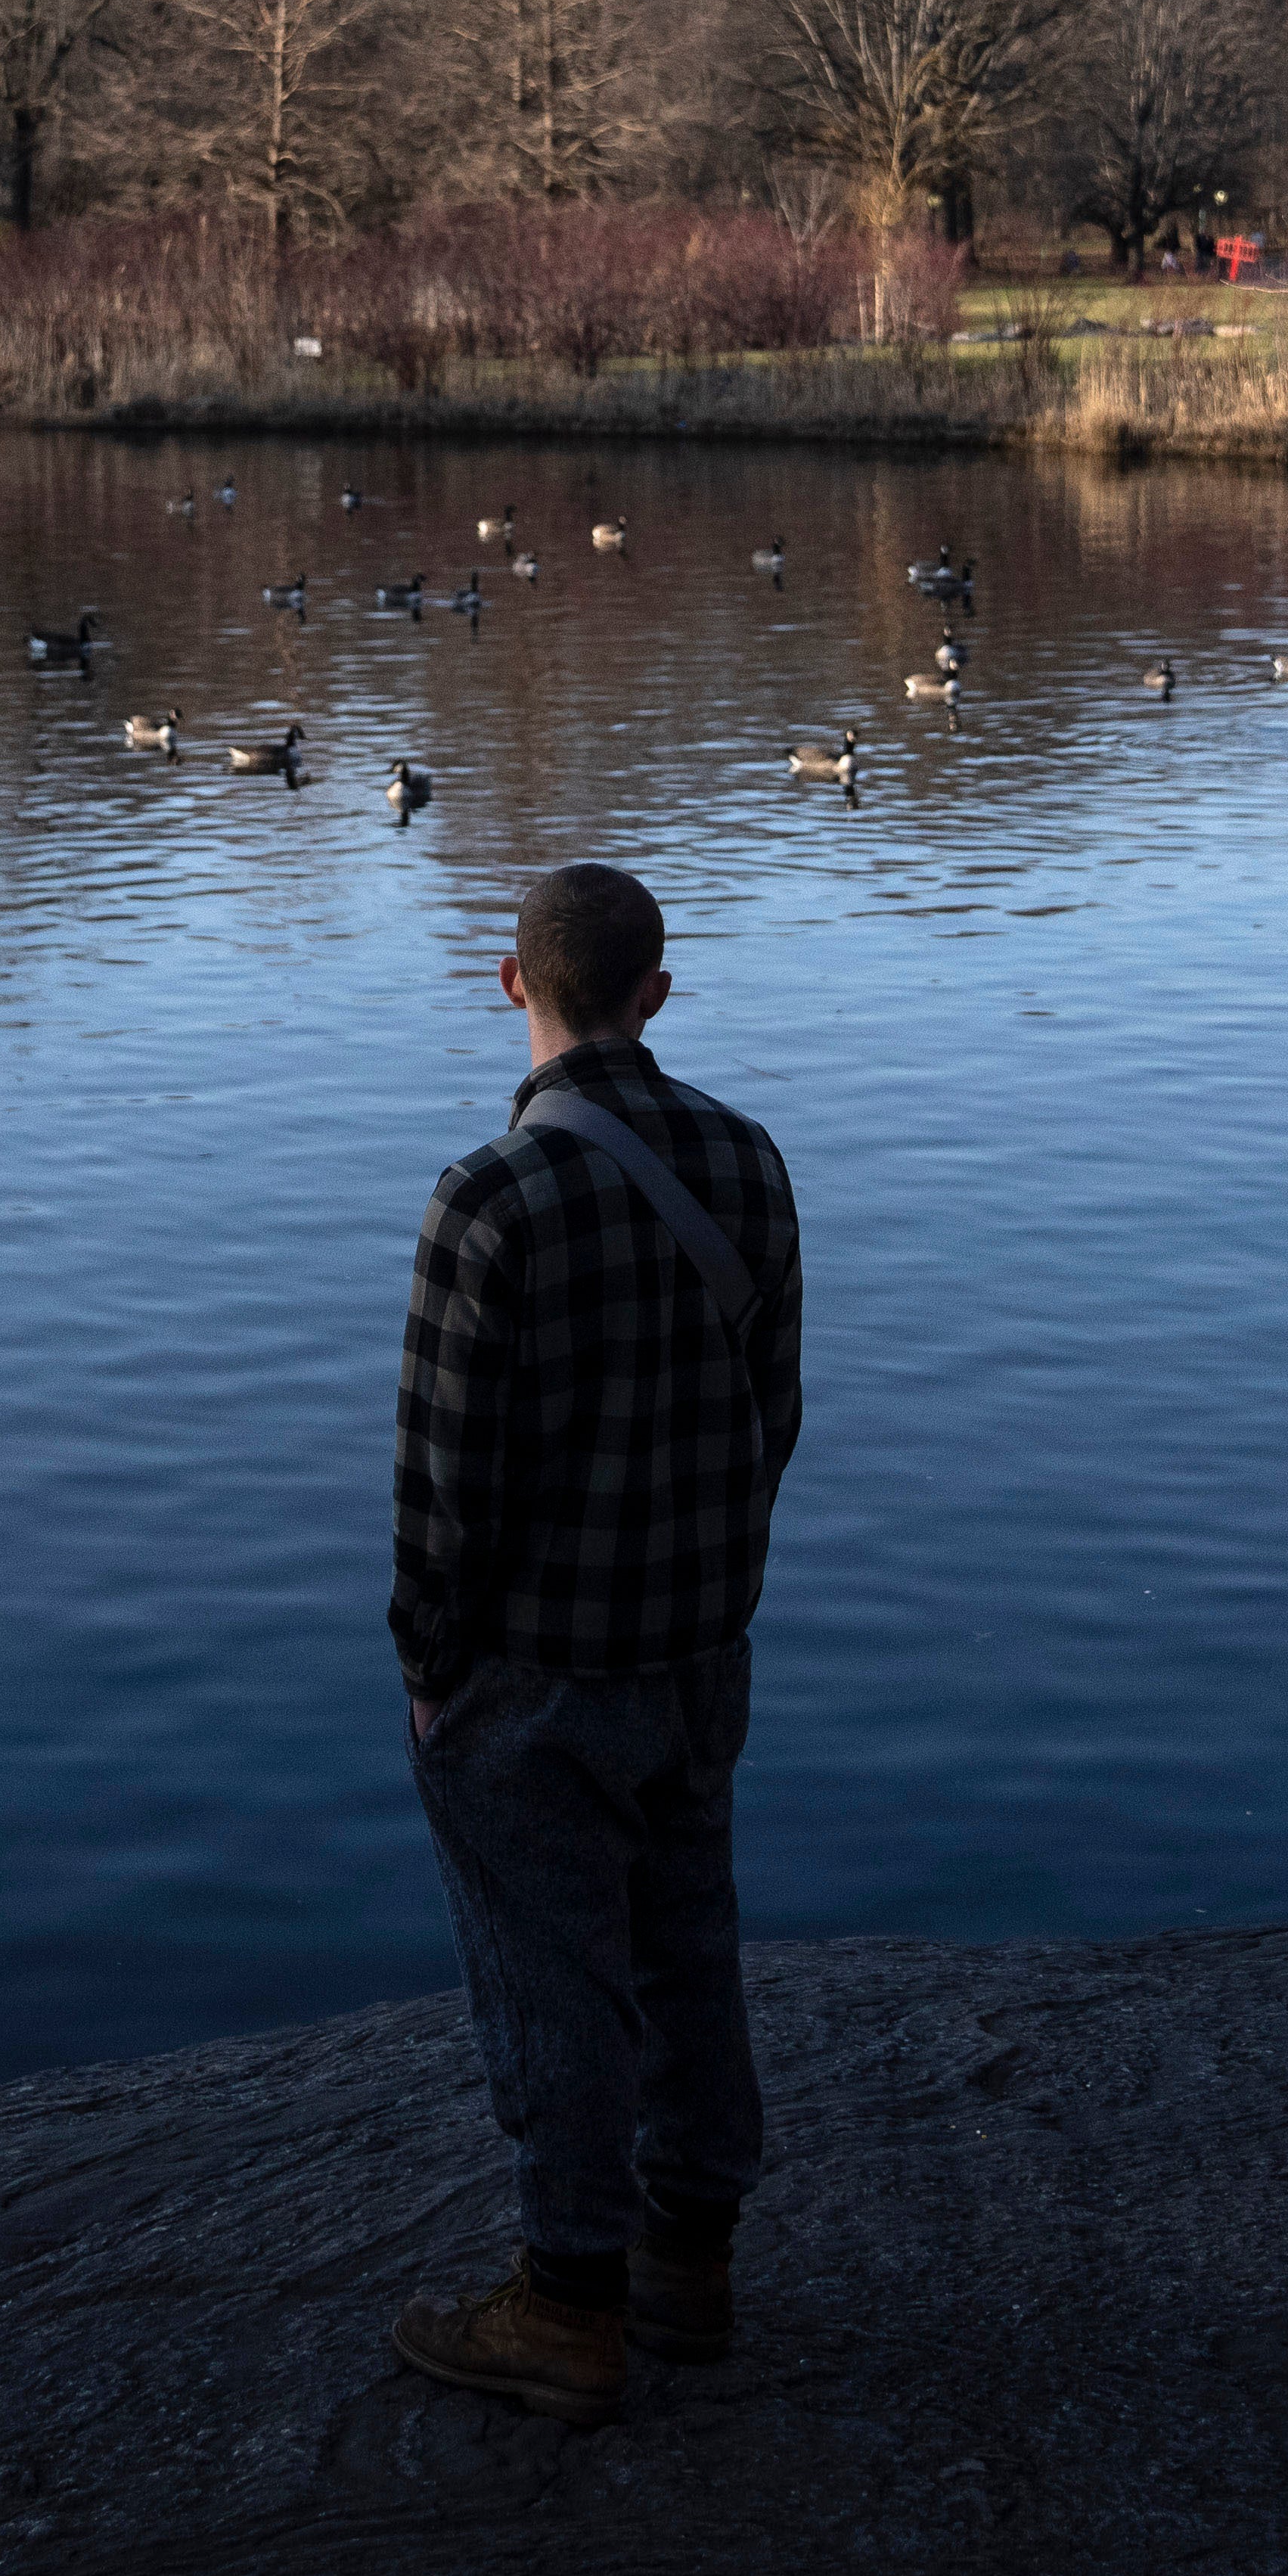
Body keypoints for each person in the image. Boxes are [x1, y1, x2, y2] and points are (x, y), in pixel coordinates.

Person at [384, 860, 805, 2426]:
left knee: (552, 1972)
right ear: (656, 993)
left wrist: (430, 1669)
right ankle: (690, 2261)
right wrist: (716, 1601)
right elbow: (774, 1421)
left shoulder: (487, 1198)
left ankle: (568, 2304)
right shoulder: (749, 1160)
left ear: (513, 984)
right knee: (689, 1939)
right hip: (700, 1647)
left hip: (538, 1670)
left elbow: (445, 1483)